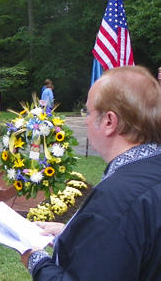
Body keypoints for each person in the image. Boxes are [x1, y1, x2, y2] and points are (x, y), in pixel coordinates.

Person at [21, 65, 161, 281]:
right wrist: (70, 231)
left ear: (109, 122)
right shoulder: (149, 171)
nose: (85, 120)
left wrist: (34, 258)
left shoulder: (115, 199)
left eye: (88, 111)